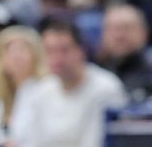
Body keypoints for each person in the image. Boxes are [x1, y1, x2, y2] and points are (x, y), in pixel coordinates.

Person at [14, 19, 127, 147]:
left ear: (81, 50)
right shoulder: (40, 91)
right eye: (50, 51)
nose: (57, 58)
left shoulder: (106, 88)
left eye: (64, 50)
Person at [96, 3, 152, 102]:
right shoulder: (90, 75)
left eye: (126, 28)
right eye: (113, 29)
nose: (119, 35)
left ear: (144, 33)